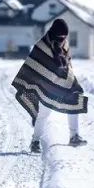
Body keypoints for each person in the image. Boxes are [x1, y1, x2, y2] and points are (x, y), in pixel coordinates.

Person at [11, 18, 88, 153]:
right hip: (47, 86)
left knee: (74, 103)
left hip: (64, 84)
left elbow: (67, 63)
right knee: (44, 115)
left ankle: (74, 136)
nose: (62, 38)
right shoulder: (41, 45)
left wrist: (70, 78)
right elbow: (34, 65)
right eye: (60, 36)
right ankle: (35, 141)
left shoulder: (65, 44)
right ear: (53, 32)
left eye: (64, 36)